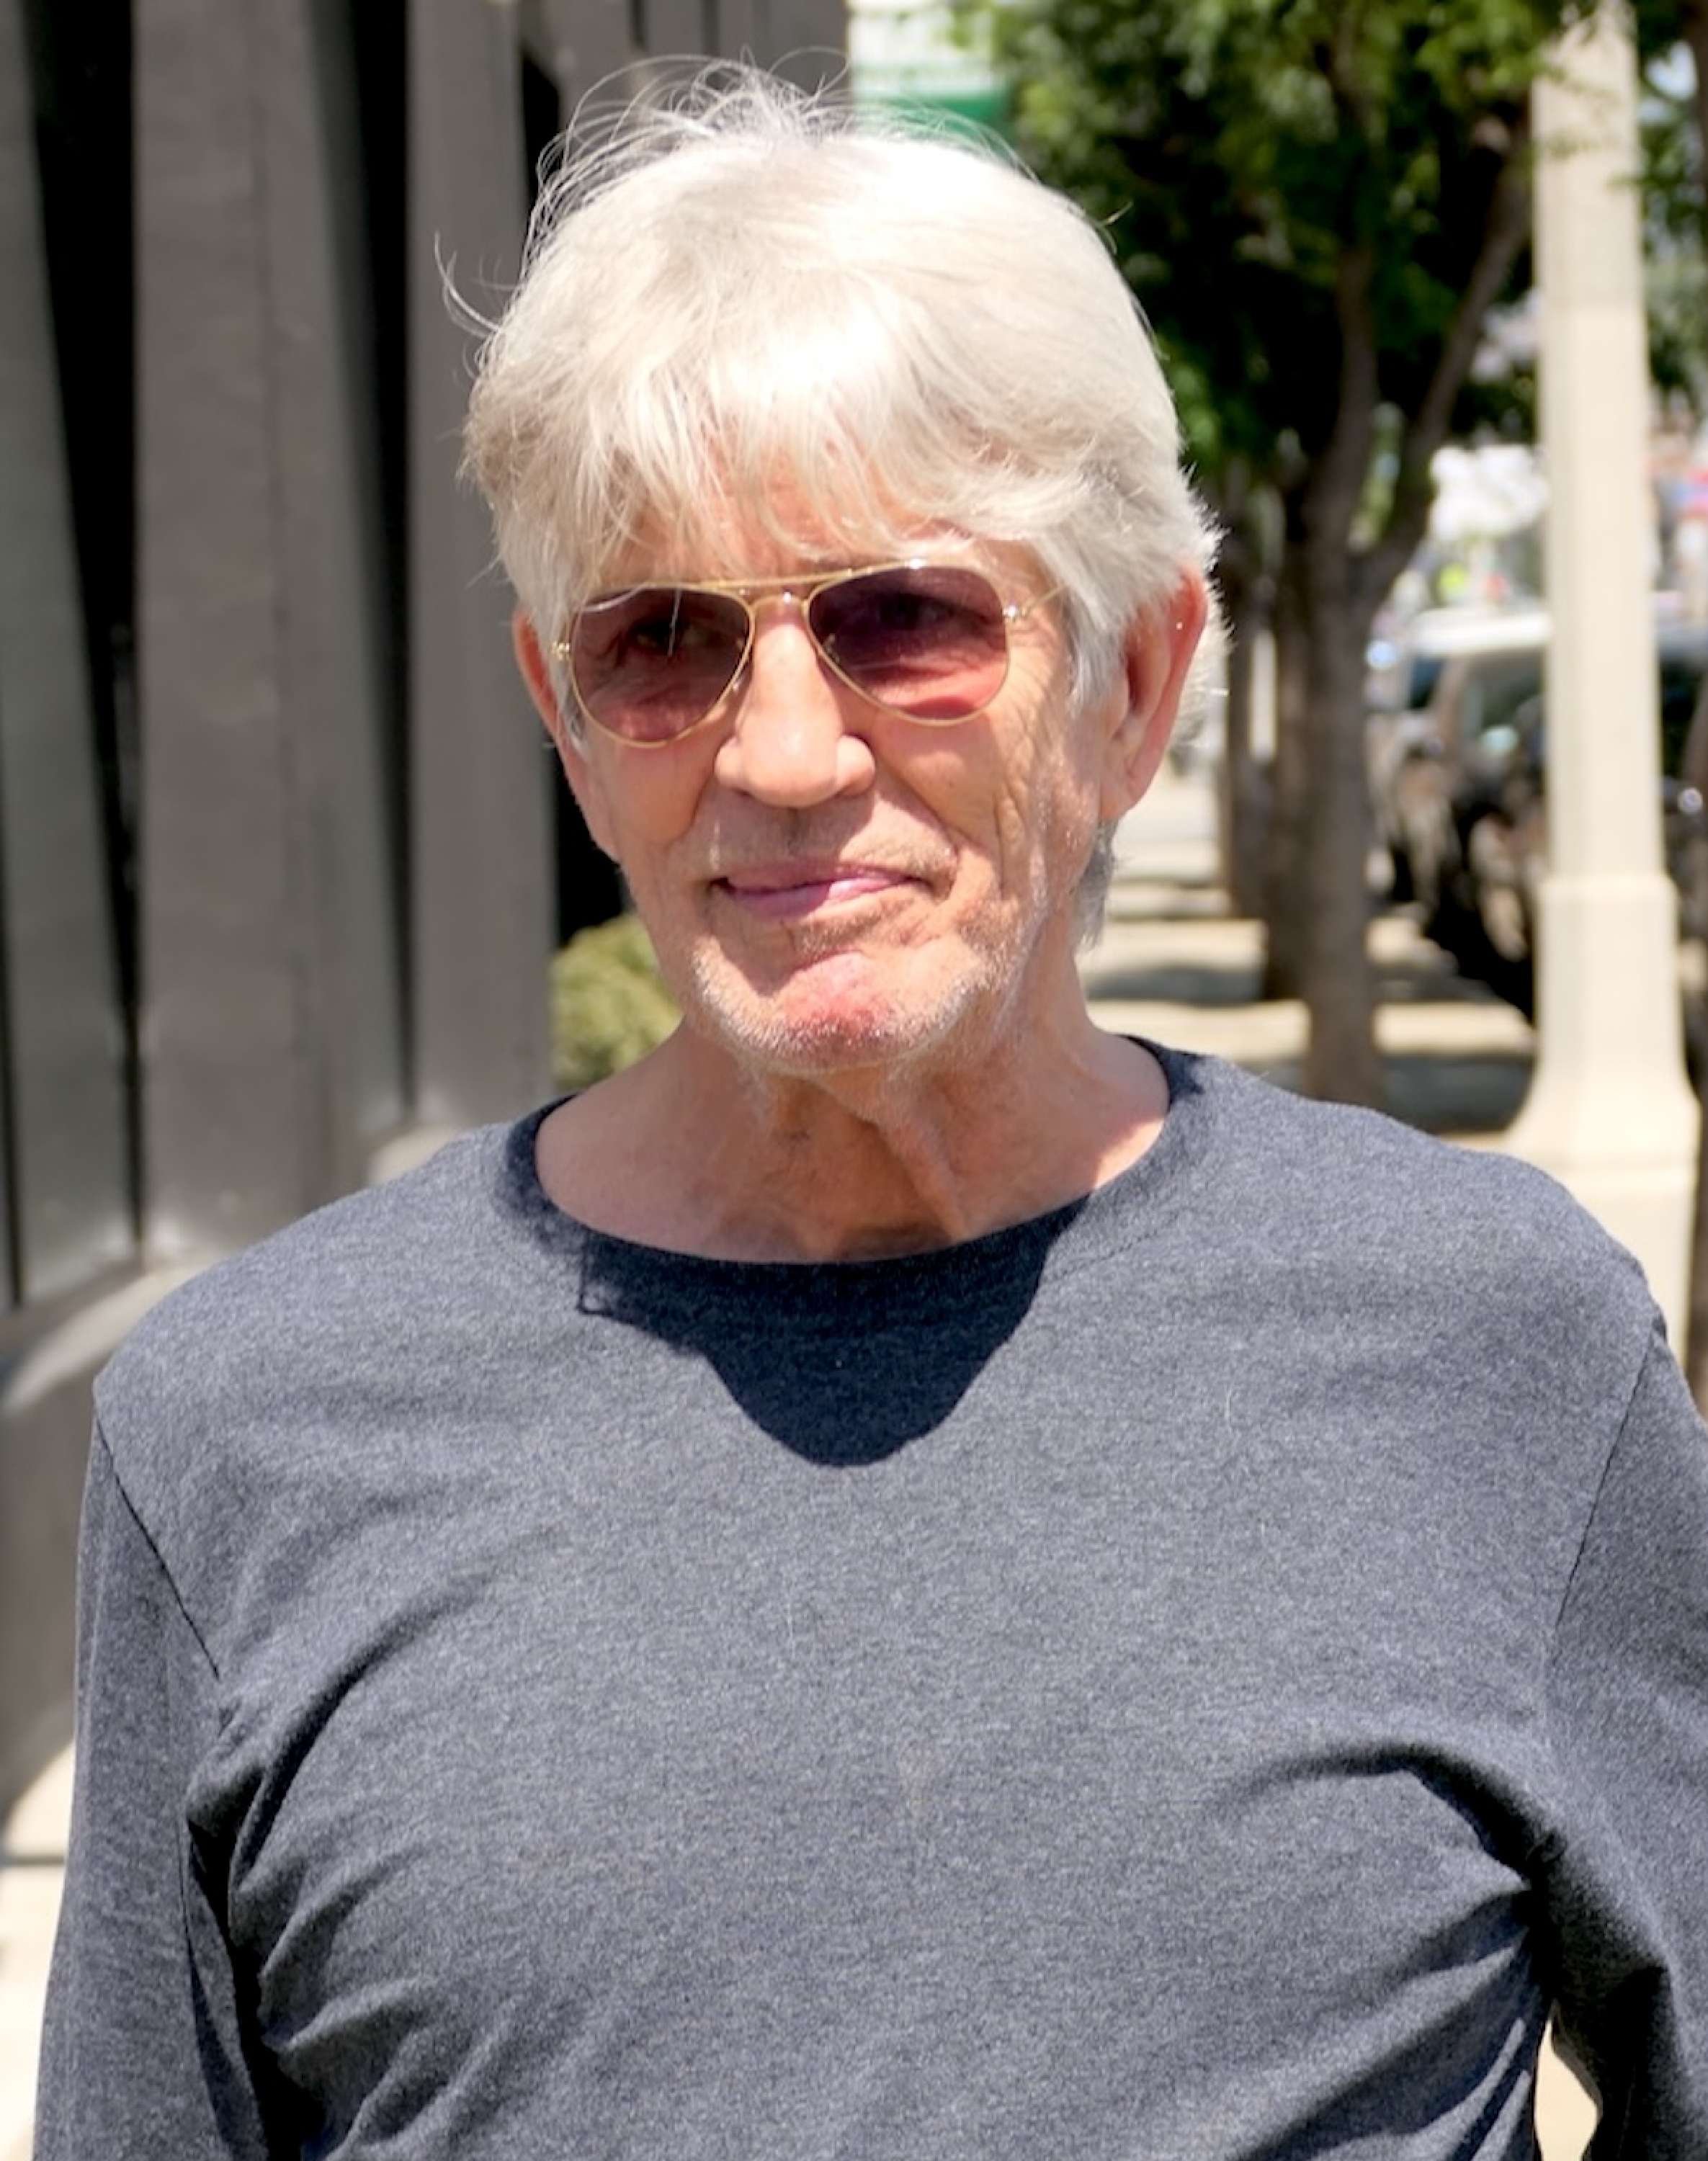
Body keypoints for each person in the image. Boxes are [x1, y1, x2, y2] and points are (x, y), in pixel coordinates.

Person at [36, 63, 1708, 2161]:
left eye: (903, 617)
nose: (787, 752)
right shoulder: (246, 1429)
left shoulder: (1499, 1355)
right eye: (663, 641)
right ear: (565, 719)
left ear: (1129, 681)